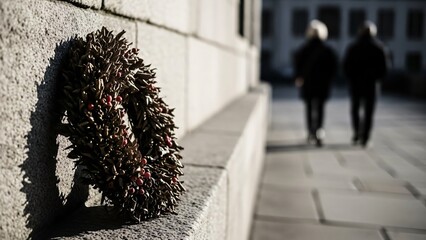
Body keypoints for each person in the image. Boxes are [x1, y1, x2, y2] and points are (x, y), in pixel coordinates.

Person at [343, 21, 389, 147]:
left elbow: (346, 67)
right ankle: (366, 137)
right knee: (369, 112)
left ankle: (357, 132)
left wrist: (352, 78)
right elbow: (384, 69)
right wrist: (376, 78)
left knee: (355, 109)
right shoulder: (379, 47)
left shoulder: (353, 47)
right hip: (371, 85)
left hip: (356, 84)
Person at [294, 20, 338, 147]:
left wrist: (299, 77)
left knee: (309, 108)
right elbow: (334, 68)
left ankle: (310, 131)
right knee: (320, 108)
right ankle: (319, 130)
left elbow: (298, 66)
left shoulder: (304, 49)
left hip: (308, 84)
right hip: (322, 85)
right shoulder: (327, 50)